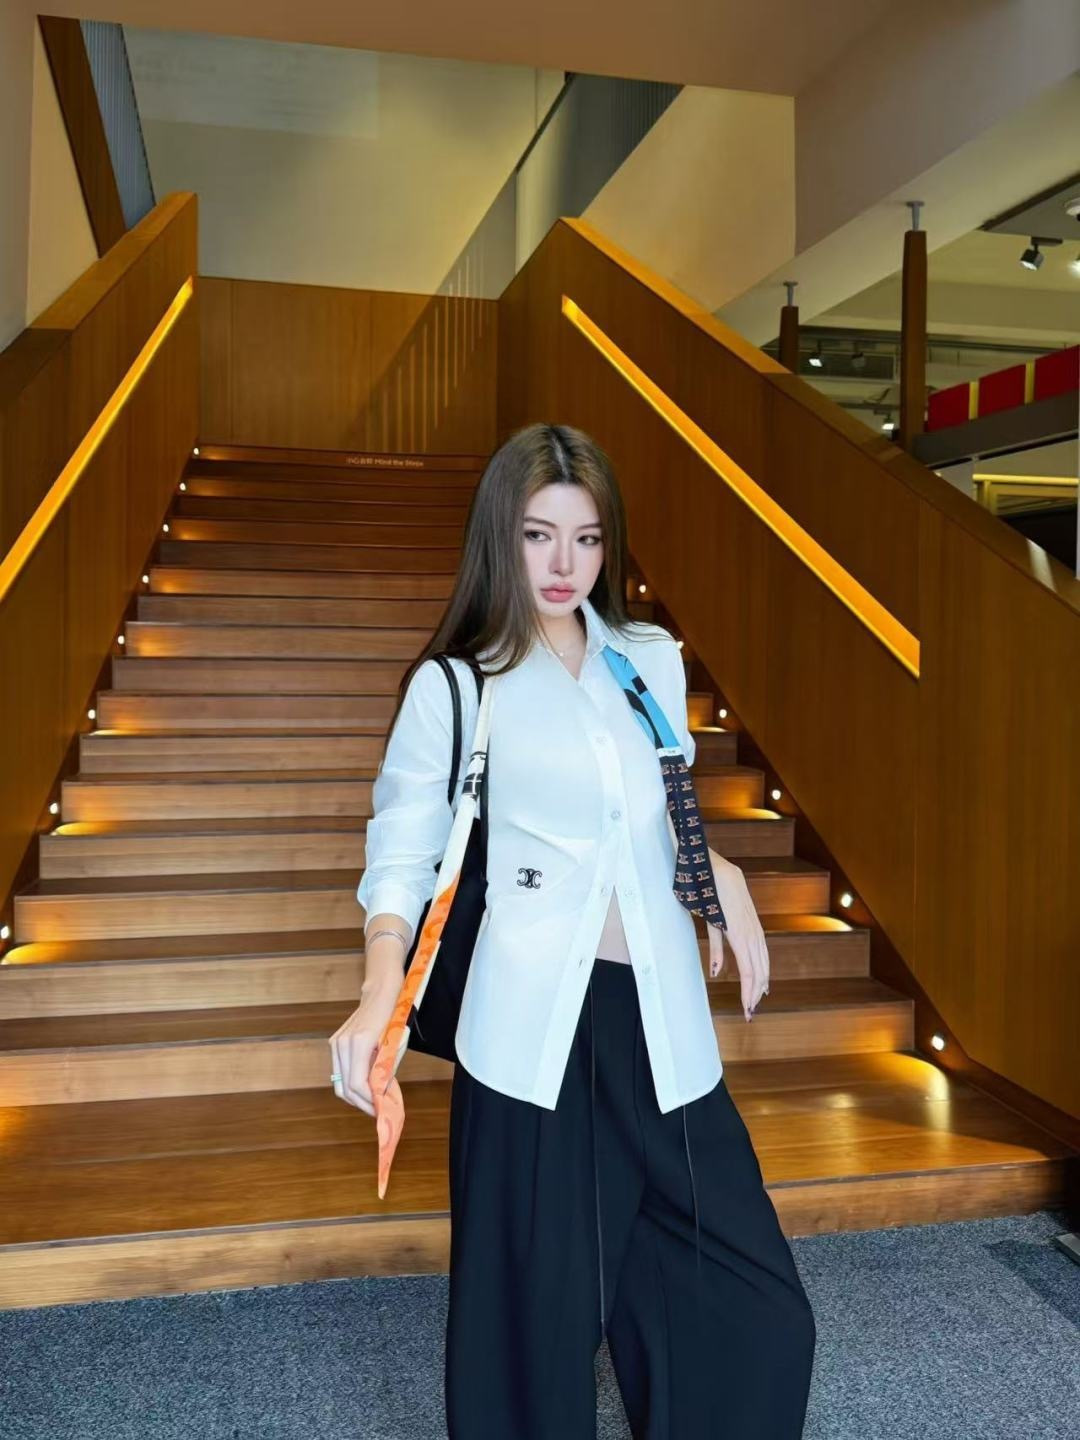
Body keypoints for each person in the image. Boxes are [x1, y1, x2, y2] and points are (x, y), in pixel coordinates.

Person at [335, 422, 816, 1438]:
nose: (565, 564)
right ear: (499, 537)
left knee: (753, 1311)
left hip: (661, 1025)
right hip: (532, 1037)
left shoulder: (648, 659)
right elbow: (403, 853)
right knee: (531, 1338)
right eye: (539, 534)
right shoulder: (458, 685)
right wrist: (380, 992)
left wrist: (720, 869)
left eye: (588, 538)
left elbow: (658, 807)